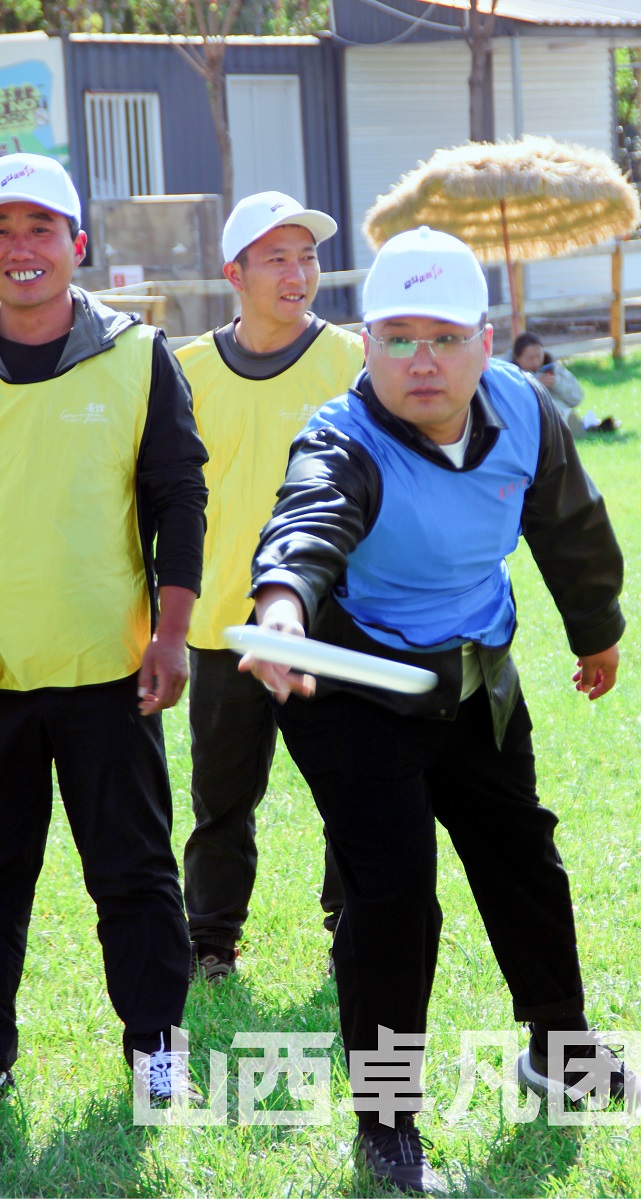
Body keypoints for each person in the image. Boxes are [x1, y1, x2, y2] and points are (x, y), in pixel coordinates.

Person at [243, 226, 641, 1194]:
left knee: (523, 856)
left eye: (443, 337)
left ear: (486, 340)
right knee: (393, 895)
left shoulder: (521, 408)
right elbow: (307, 521)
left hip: (473, 677)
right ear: (365, 344)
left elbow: (568, 521)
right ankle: (386, 1123)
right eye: (398, 338)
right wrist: (281, 606)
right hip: (353, 686)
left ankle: (561, 1051)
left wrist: (595, 629)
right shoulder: (341, 437)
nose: (421, 360)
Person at [0, 154, 208, 1101]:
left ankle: (156, 1051)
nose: (20, 249)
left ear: (77, 244)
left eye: (40, 228)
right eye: (3, 231)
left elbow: (179, 498)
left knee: (134, 872)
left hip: (109, 671)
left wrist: (172, 634)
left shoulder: (138, 354)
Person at [178, 191, 364, 980]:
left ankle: (353, 930)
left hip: (333, 620)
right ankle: (210, 942)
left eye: (308, 257)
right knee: (221, 798)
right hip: (223, 622)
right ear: (235, 273)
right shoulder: (186, 369)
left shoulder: (351, 360)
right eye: (277, 259)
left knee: (351, 788)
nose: (298, 274)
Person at [512, 331, 619, 437]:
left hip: (561, 411)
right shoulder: (511, 376)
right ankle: (571, 426)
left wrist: (557, 382)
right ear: (518, 359)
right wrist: (533, 386)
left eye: (539, 356)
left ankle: (574, 424)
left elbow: (577, 397)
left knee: (560, 410)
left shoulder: (555, 368)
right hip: (533, 419)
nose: (536, 362)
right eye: (530, 358)